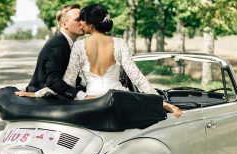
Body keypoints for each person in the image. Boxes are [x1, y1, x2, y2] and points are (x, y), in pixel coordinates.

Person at [17, 4, 182, 118]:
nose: (80, 23)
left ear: (90, 24)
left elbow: (67, 82)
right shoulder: (120, 43)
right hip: (119, 99)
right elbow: (137, 77)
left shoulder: (79, 47)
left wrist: (37, 93)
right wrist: (161, 101)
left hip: (91, 103)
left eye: (82, 19)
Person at [15, 4, 85, 99]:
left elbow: (67, 74)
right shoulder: (57, 44)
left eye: (83, 19)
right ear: (64, 24)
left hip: (58, 92)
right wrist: (82, 96)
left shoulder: (65, 41)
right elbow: (53, 81)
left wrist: (87, 84)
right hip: (45, 98)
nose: (82, 23)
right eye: (78, 20)